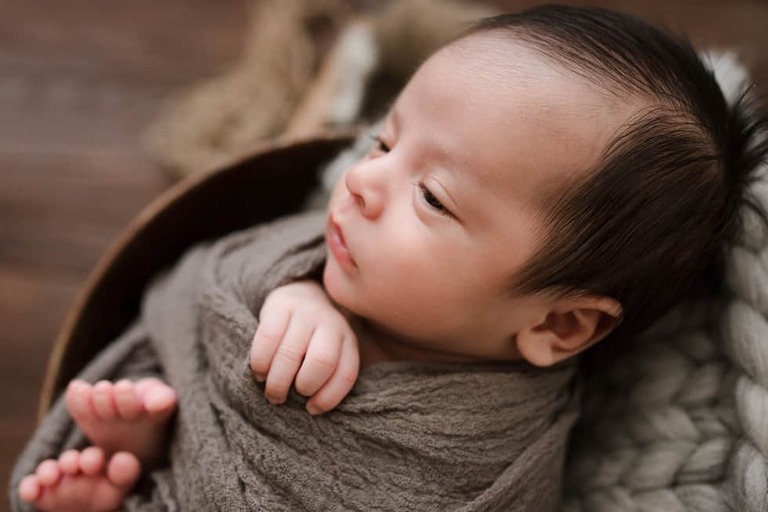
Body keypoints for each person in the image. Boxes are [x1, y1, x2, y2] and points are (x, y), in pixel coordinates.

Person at [17, 5, 767, 511]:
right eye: (382, 140)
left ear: (562, 325)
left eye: (433, 198)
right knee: (143, 403)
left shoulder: (485, 459)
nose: (363, 181)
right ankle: (157, 446)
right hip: (187, 437)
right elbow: (195, 277)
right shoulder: (315, 257)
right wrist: (298, 292)